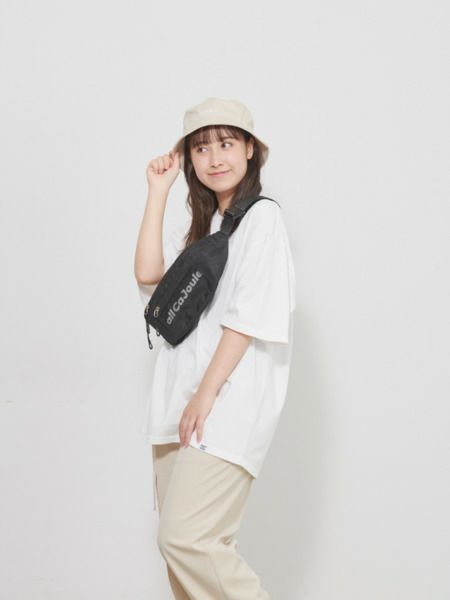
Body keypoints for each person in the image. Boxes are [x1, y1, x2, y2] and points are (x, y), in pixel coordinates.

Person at [134, 97, 296, 600]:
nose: (214, 158)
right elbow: (149, 278)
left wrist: (204, 396)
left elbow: (246, 319)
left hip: (221, 406)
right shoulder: (203, 233)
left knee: (189, 540)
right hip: (175, 408)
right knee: (183, 567)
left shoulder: (262, 220)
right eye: (201, 149)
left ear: (249, 149)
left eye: (226, 144)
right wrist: (158, 192)